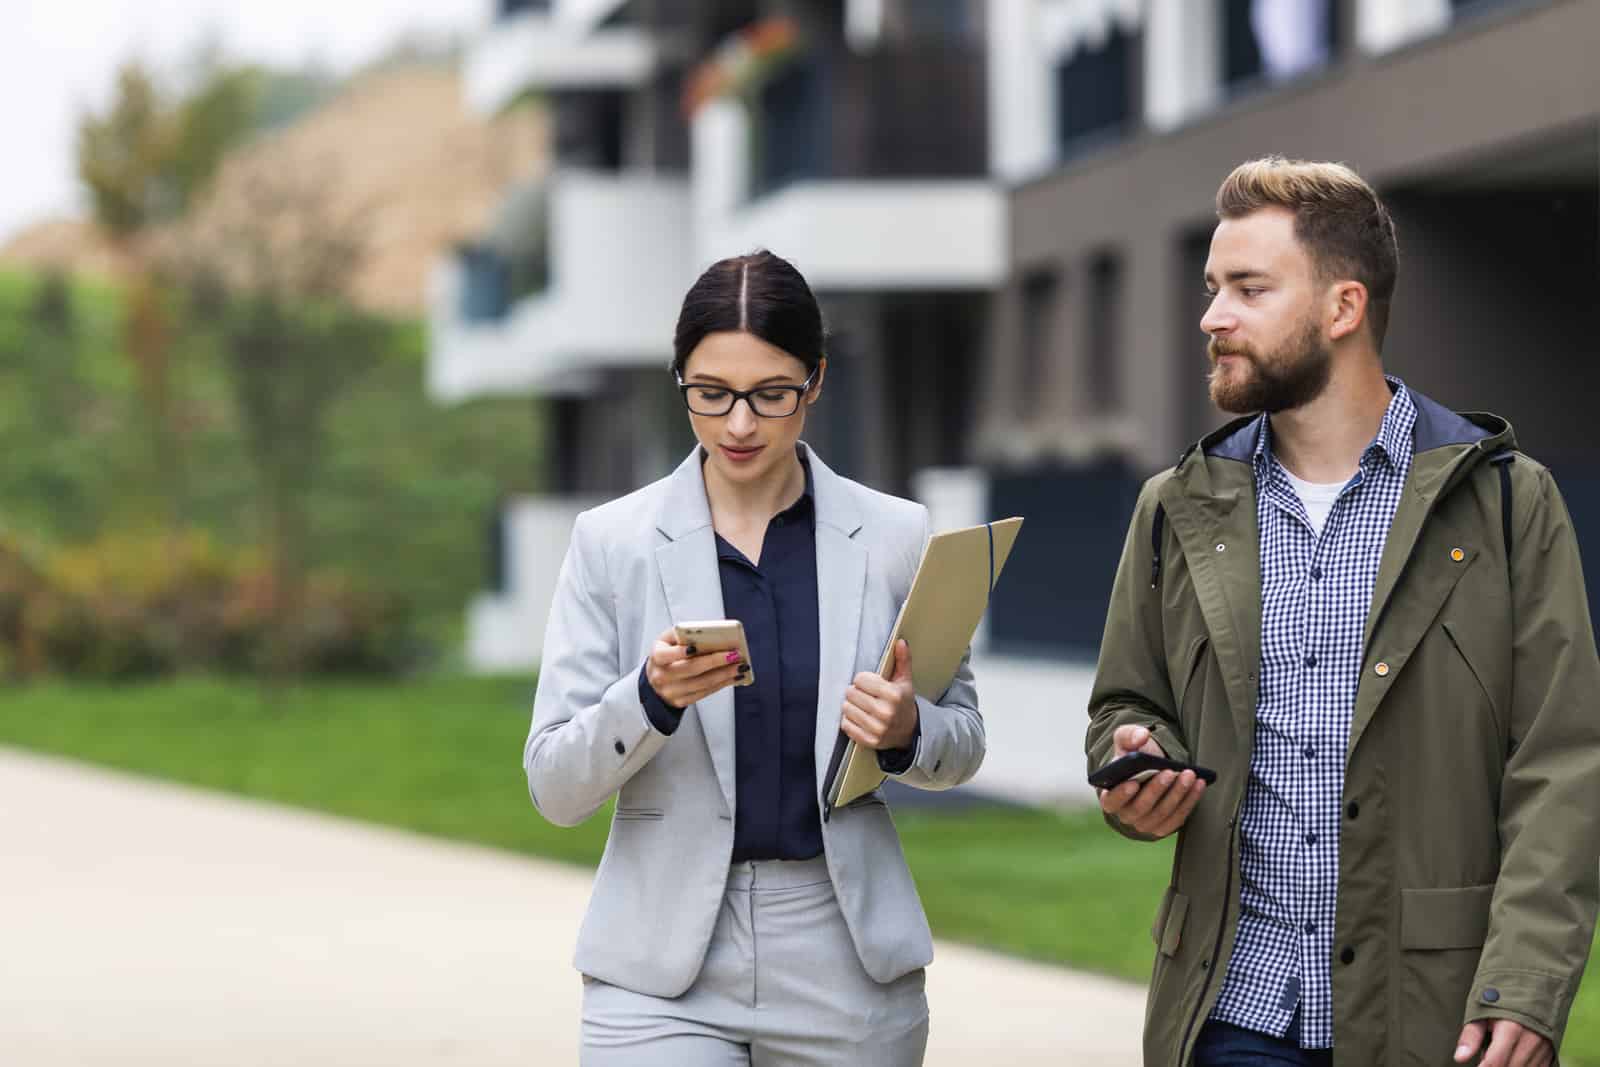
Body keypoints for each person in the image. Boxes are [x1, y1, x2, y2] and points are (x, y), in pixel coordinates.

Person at [1087, 157, 1600, 1066]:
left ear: (1343, 308)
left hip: (1438, 1021)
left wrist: (1523, 982)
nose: (1211, 317)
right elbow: (1125, 706)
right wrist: (1133, 765)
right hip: (1229, 1017)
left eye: (1248, 289)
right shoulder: (1174, 505)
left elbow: (1561, 763)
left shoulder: (1510, 504)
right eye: (1213, 289)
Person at [523, 250, 985, 1065]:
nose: (739, 424)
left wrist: (909, 729)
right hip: (659, 966)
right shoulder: (612, 542)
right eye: (712, 395)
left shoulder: (896, 536)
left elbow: (963, 743)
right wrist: (650, 698)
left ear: (815, 380)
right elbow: (555, 784)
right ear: (680, 380)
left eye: (771, 394)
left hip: (845, 957)